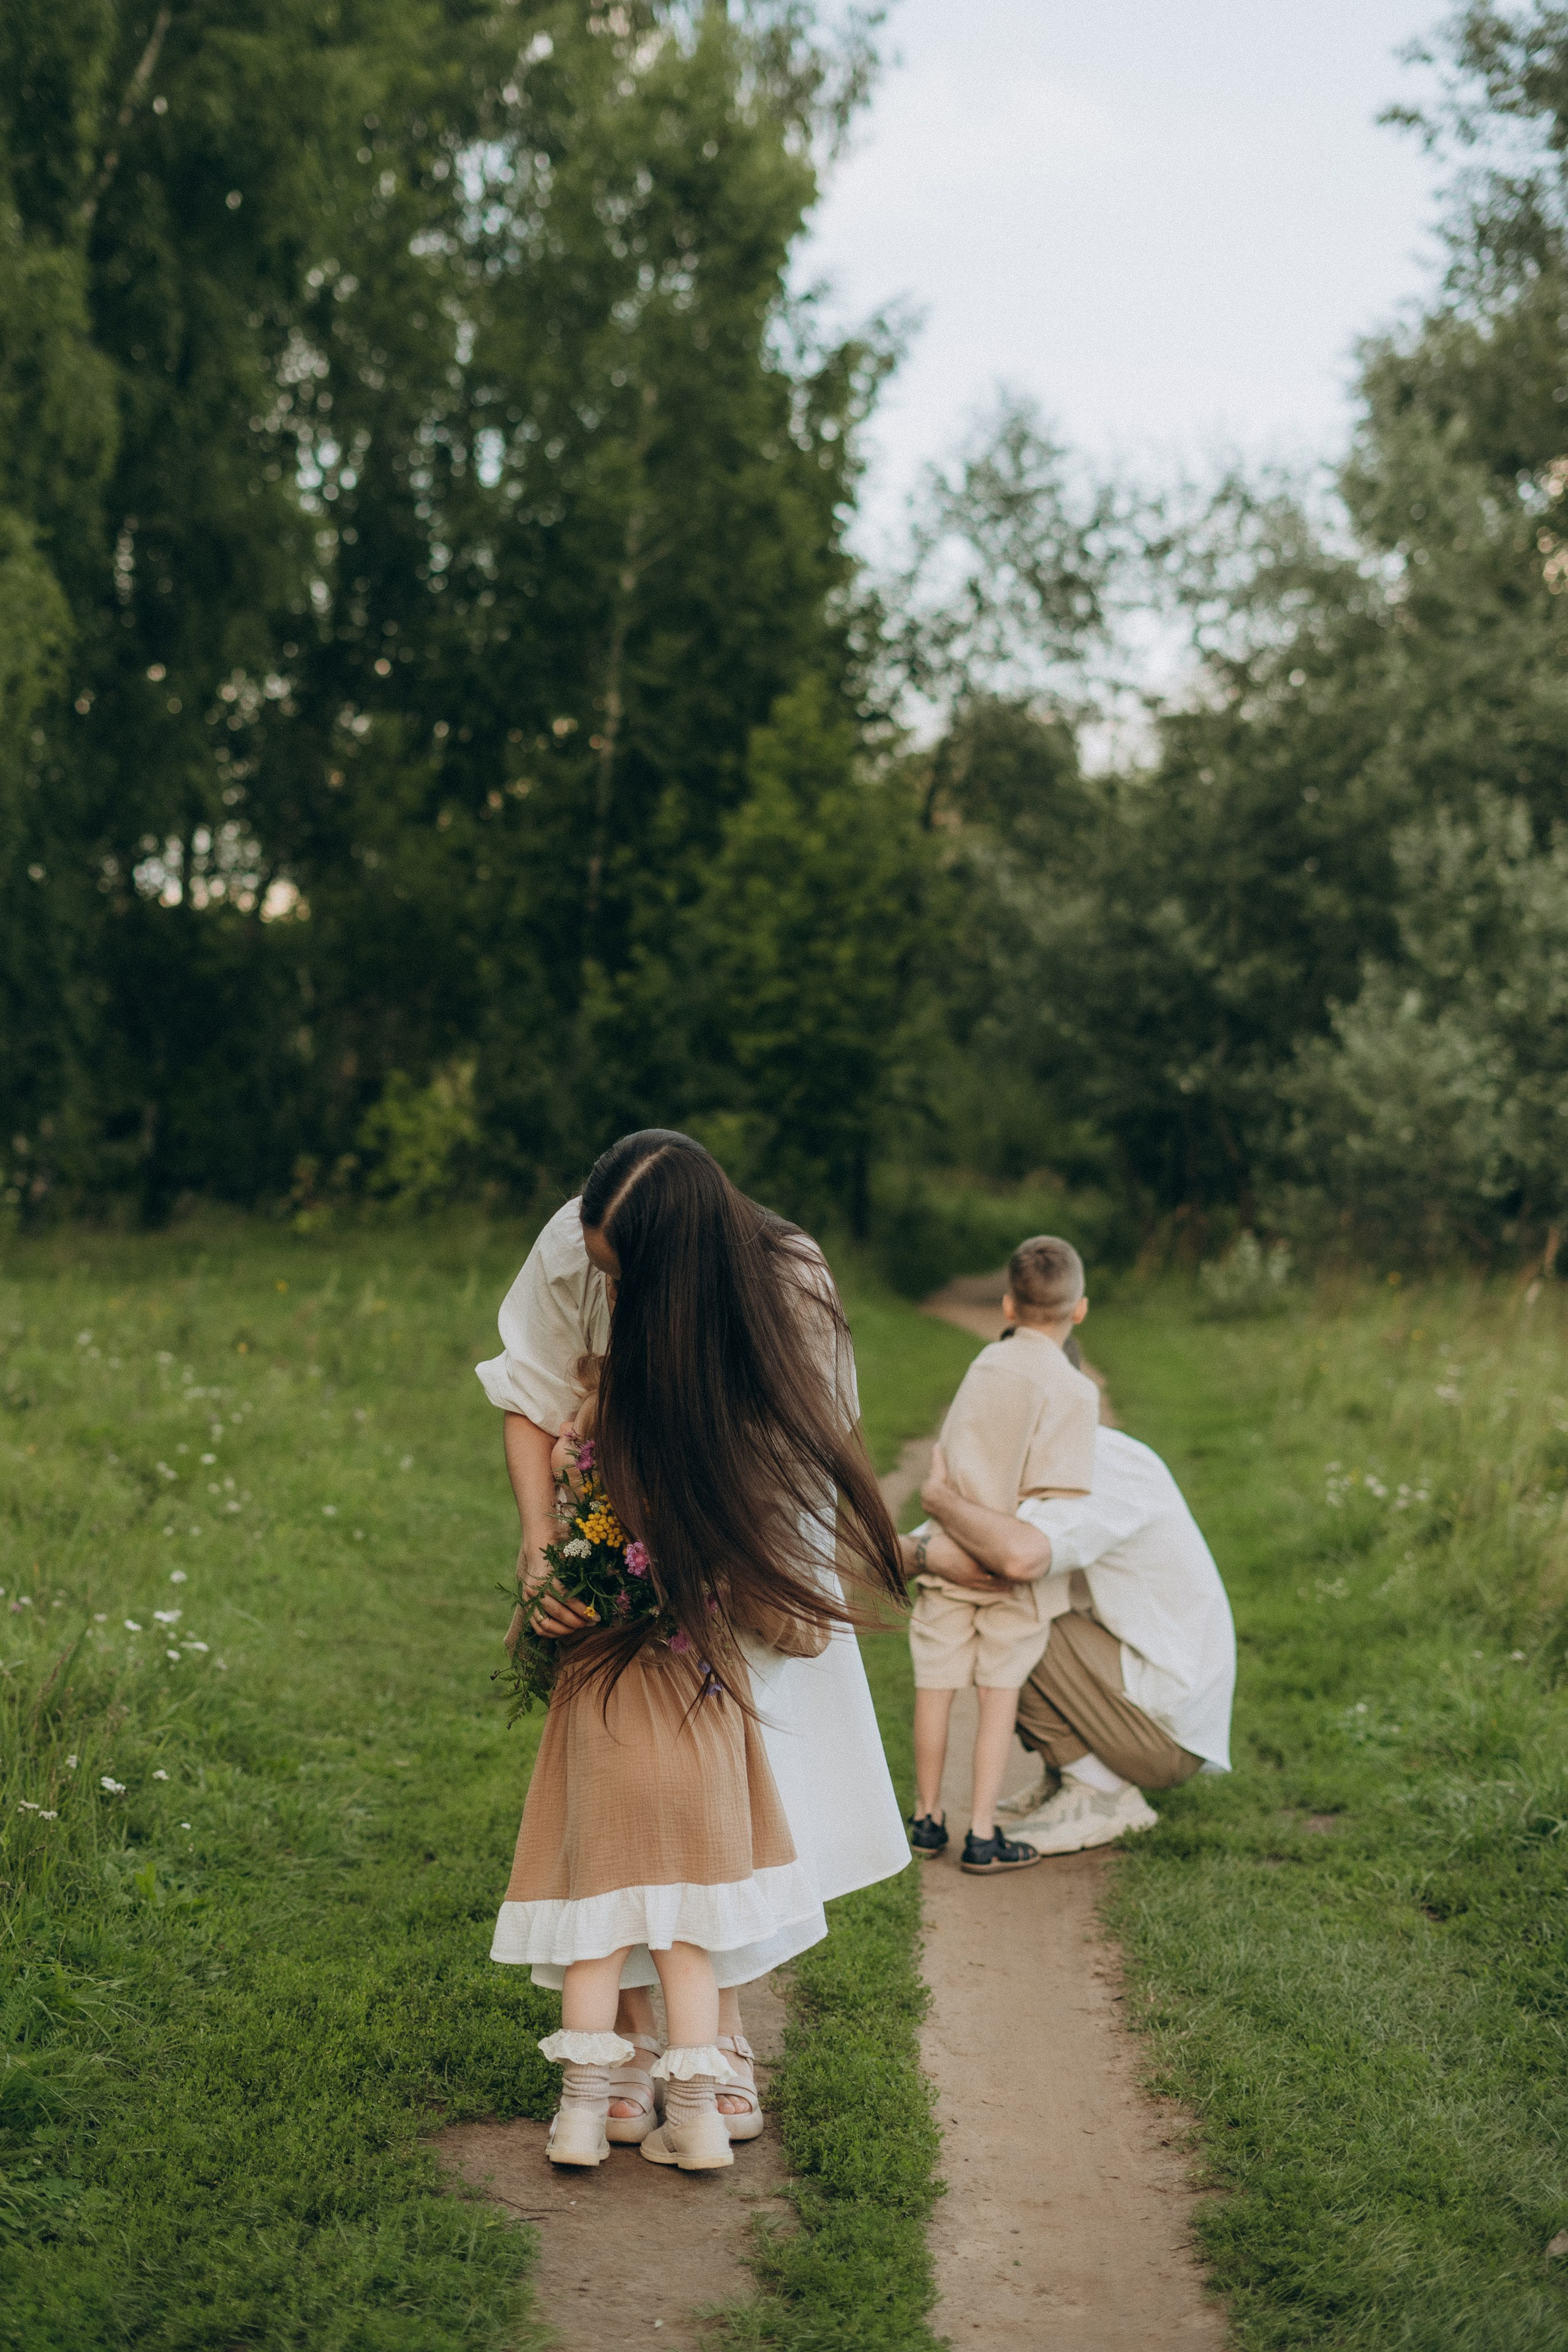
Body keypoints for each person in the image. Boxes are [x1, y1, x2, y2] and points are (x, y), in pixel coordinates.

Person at [476, 1131, 910, 2159]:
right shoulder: (575, 1244)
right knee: (618, 1790)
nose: (607, 1290)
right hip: (608, 1529)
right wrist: (547, 1551)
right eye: (599, 1268)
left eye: (625, 1277)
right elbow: (532, 1398)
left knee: (731, 1788)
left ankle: (717, 2048)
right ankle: (623, 2046)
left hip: (736, 1533)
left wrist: (700, 1574)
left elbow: (796, 1458)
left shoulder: (789, 1284)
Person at [911, 1420, 1235, 1855]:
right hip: (1137, 1703)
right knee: (1005, 1593)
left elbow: (1016, 1557)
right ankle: (1071, 1772)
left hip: (1165, 1735)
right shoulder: (1036, 1454)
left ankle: (1102, 1793)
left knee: (1009, 1609)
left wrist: (942, 1505)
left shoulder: (1103, 1462)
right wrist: (924, 1549)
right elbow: (909, 1552)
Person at [902, 1237, 1101, 1877]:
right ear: (1079, 1311)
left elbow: (954, 1457)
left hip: (950, 1560)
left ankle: (926, 1817)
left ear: (1009, 1305)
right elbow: (1059, 1502)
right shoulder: (1075, 1392)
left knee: (934, 1693)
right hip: (1009, 1578)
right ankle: (983, 1834)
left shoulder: (984, 1365)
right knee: (998, 1699)